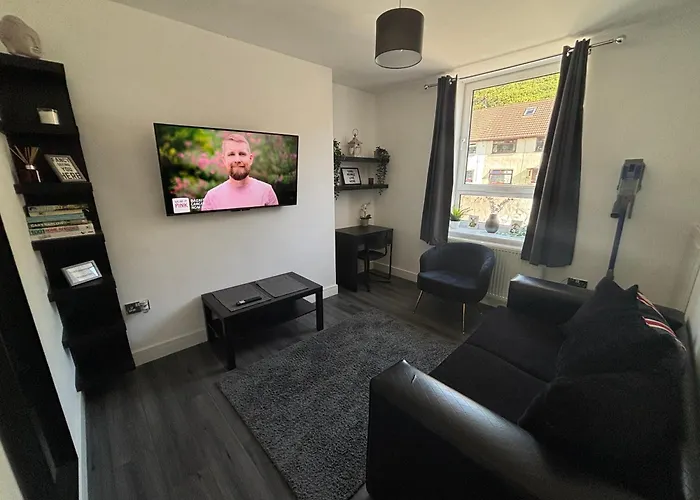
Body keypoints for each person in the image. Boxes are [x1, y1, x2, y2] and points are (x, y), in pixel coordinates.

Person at [201, 134, 279, 211]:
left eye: (242, 154)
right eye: (231, 154)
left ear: (250, 159)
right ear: (224, 160)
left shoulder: (266, 191)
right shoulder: (211, 198)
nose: (237, 160)